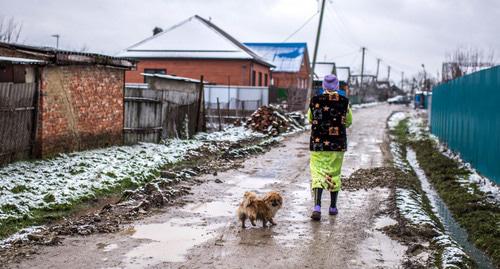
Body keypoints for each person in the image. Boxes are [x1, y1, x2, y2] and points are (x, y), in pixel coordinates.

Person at [308, 74, 352, 221]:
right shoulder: (344, 102)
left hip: (318, 144)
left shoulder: (315, 101)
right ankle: (333, 207)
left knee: (318, 174)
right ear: (338, 86)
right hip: (337, 144)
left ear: (323, 86)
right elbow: (349, 121)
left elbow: (310, 118)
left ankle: (317, 207)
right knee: (334, 173)